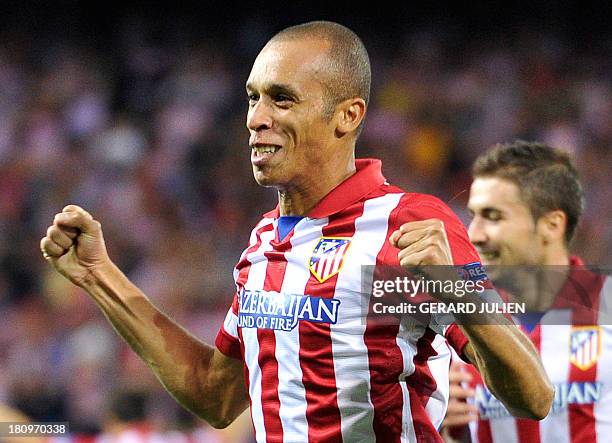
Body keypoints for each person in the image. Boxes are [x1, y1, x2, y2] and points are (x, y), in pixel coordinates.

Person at [40, 22, 553, 442]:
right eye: (252, 98)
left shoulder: (408, 223)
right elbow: (216, 396)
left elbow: (533, 397)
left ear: (347, 116)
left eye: (282, 100)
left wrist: (460, 293)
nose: (257, 118)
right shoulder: (265, 240)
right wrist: (98, 274)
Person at [442, 141, 612, 442]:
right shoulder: (460, 320)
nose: (473, 234)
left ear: (551, 224)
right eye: (474, 215)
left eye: (494, 217)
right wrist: (438, 426)